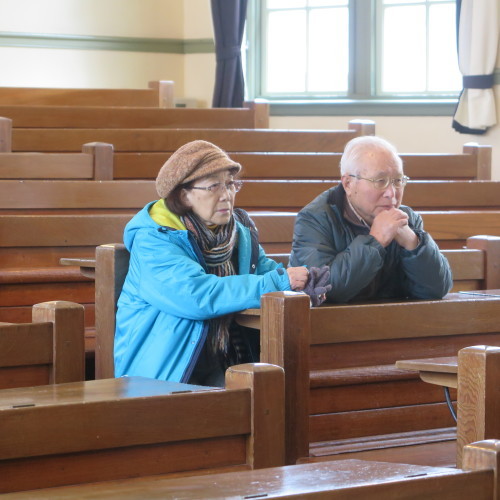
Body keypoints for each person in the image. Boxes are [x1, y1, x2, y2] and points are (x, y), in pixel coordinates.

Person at [114, 140, 329, 386]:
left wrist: (300, 286)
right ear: (184, 195)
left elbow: (261, 270)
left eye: (230, 184)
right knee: (263, 400)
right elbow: (197, 296)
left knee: (283, 391)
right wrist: (278, 282)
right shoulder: (154, 239)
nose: (226, 195)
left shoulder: (237, 232)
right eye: (214, 186)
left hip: (221, 358)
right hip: (164, 371)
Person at [289, 135, 453, 303]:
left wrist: (414, 244)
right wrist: (375, 241)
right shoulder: (314, 219)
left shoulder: (406, 219)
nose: (392, 193)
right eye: (380, 181)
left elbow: (436, 290)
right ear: (348, 184)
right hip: (333, 325)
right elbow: (323, 289)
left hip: (393, 323)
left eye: (397, 181)